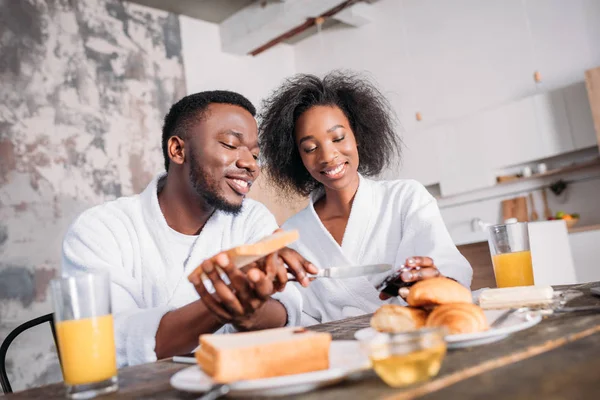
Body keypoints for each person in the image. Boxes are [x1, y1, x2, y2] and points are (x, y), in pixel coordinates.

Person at [61, 91, 316, 367]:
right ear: (178, 150)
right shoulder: (101, 229)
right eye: (231, 144)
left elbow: (284, 309)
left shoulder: (252, 218)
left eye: (255, 154)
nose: (251, 165)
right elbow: (110, 341)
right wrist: (222, 305)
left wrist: (251, 312)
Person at [258, 71, 472, 325]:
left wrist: (438, 279)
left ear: (357, 136)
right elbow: (298, 315)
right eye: (310, 148)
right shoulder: (292, 233)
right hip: (340, 352)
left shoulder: (405, 198)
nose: (328, 156)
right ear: (298, 157)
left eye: (338, 138)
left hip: (417, 337)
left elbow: (449, 269)